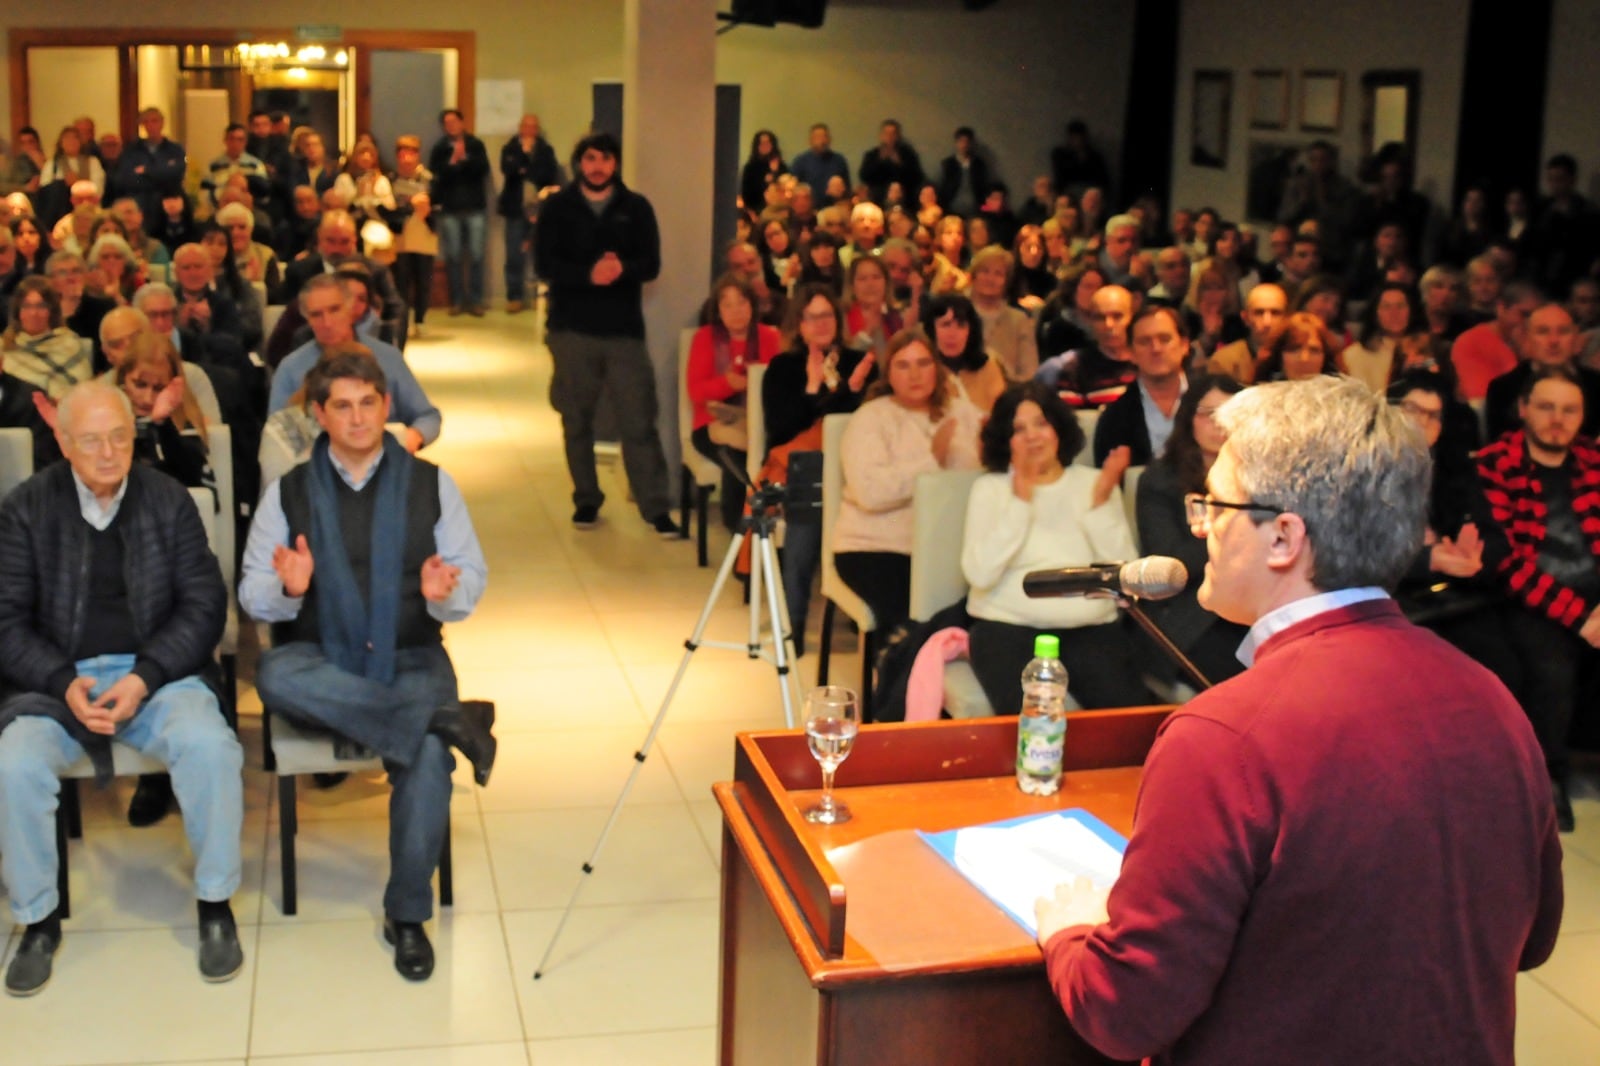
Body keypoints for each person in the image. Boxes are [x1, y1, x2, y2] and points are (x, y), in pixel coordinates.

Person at [1036, 373, 1563, 1064]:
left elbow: (1127, 1012)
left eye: (1215, 505)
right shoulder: (1493, 700)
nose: (1200, 527)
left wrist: (1071, 930)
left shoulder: (1223, 738)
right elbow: (1535, 939)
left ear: (1284, 536)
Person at [241, 352, 491, 980]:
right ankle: (442, 720)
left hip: (410, 653)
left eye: (370, 403)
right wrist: (291, 590)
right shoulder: (287, 492)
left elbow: (471, 584)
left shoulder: (434, 484)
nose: (358, 417)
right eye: (342, 406)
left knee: (427, 762)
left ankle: (407, 916)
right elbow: (252, 596)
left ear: (386, 406)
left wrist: (444, 593)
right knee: (273, 675)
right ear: (319, 415)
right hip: (320, 658)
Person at [0, 380, 242, 995]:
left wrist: (146, 675)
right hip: (58, 681)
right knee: (12, 764)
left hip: (156, 674)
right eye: (91, 440)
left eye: (120, 437)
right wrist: (61, 681)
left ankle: (215, 903)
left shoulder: (167, 498)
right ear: (60, 440)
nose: (109, 453)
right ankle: (37, 919)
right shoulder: (26, 507)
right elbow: (5, 621)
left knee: (211, 748)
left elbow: (203, 604)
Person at [963, 380, 1151, 713]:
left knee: (1126, 722)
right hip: (1007, 629)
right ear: (1005, 440)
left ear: (1058, 429)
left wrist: (1099, 502)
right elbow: (980, 574)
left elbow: (1124, 575)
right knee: (1030, 723)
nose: (1032, 436)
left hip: (1090, 630)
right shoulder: (989, 489)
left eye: (1041, 424)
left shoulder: (1093, 482)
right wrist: (1020, 501)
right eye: (1019, 429)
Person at [535, 131, 677, 534]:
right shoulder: (558, 208)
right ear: (580, 163)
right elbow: (544, 265)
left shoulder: (636, 208)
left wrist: (623, 270)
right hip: (571, 331)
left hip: (624, 332)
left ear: (615, 164)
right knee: (576, 420)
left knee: (639, 421)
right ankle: (586, 499)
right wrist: (587, 275)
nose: (598, 166)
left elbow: (651, 264)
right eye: (591, 158)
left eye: (606, 159)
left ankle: (655, 506)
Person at [832, 328, 982, 633]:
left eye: (923, 363)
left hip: (951, 550)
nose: (915, 374)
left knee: (987, 615)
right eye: (903, 365)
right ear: (889, 374)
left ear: (937, 369)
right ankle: (902, 675)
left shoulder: (964, 414)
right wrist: (931, 461)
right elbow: (869, 493)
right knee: (922, 625)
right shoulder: (871, 418)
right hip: (876, 549)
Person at [761, 286, 876, 649]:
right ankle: (793, 621)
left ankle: (867, 617)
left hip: (855, 466)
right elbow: (781, 429)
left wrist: (852, 386)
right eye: (813, 317)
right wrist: (812, 388)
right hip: (801, 470)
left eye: (828, 315)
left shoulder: (860, 361)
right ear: (800, 323)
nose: (822, 324)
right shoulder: (783, 368)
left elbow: (870, 419)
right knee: (809, 490)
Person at [1134, 374, 1249, 688]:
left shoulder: (1261, 480)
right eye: (1209, 414)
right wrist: (1231, 520)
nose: (1221, 425)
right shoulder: (1159, 481)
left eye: (1231, 415)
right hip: (1191, 612)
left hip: (1252, 604)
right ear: (1189, 419)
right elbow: (1170, 562)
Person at [271, 274, 439, 448]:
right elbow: (277, 433)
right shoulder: (291, 368)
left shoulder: (388, 357)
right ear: (307, 319)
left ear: (351, 310)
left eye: (334, 310)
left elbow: (428, 417)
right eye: (316, 315)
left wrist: (412, 438)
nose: (327, 322)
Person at [686, 273, 780, 531]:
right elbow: (696, 392)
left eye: (741, 302)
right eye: (727, 304)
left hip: (758, 423)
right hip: (711, 425)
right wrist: (728, 384)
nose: (735, 311)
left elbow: (777, 384)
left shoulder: (769, 337)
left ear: (752, 305)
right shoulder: (705, 338)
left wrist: (753, 384)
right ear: (718, 310)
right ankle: (741, 530)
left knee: (758, 450)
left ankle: (760, 528)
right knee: (737, 455)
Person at [1485, 302, 1600, 441]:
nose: (1553, 341)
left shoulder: (1596, 385)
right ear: (1527, 338)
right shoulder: (1502, 388)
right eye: (1543, 331)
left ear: (1576, 336)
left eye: (1563, 331)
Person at [1093, 305, 1190, 467]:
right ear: (1131, 353)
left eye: (1164, 339)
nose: (1156, 349)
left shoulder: (1215, 402)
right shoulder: (1114, 417)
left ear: (1184, 346)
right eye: (1144, 342)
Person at [1034, 283, 1138, 409]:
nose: (1108, 325)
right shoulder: (1074, 370)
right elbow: (1073, 424)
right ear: (1090, 322)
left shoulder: (1149, 362)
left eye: (1117, 316)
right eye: (1100, 317)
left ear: (1133, 317)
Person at [427, 110, 490, 316]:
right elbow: (436, 176)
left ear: (462, 122)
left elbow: (483, 169)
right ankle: (456, 301)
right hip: (449, 210)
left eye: (455, 121)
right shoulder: (439, 148)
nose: (451, 125)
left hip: (475, 208)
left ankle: (476, 301)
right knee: (453, 256)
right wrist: (453, 161)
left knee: (476, 255)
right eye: (447, 122)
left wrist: (465, 160)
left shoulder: (475, 144)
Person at [498, 114, 561, 314]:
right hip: (515, 208)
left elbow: (548, 174)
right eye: (526, 126)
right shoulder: (510, 148)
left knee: (539, 252)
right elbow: (508, 169)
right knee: (514, 254)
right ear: (520, 127)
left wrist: (525, 168)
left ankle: (539, 296)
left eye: (533, 126)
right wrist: (524, 158)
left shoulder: (545, 150)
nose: (529, 129)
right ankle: (514, 297)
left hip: (540, 207)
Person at [3, 276, 90, 399]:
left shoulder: (69, 344)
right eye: (26, 306)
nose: (33, 313)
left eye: (41, 306)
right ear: (18, 312)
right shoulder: (5, 347)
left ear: (52, 311)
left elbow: (82, 393)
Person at [922, 293, 1005, 414]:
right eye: (946, 325)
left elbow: (1002, 416)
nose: (952, 334)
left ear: (970, 331)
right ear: (931, 330)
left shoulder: (988, 368)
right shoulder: (923, 370)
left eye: (960, 326)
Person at [966, 245, 1038, 382]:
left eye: (998, 273)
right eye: (984, 271)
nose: (990, 278)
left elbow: (1029, 373)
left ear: (1007, 281)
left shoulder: (1019, 320)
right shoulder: (956, 313)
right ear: (973, 276)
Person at [1343, 281, 1423, 394]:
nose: (1394, 313)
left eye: (1400, 306)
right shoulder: (1355, 354)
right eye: (1386, 307)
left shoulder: (1428, 349)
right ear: (1375, 314)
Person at [115, 108, 187, 225]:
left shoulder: (175, 149)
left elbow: (177, 173)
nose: (150, 125)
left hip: (168, 206)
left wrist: (147, 171)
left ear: (162, 123)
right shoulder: (132, 150)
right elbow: (126, 179)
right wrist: (161, 175)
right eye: (146, 122)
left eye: (154, 121)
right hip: (141, 205)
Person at [1209, 282, 1287, 385]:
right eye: (1259, 313)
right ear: (1245, 318)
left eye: (1275, 313)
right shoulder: (1225, 361)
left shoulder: (1299, 356)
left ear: (1287, 318)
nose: (1267, 322)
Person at [1256, 310, 1340, 382]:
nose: (1304, 359)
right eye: (1294, 350)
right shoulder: (1255, 398)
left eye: (1314, 351)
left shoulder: (1342, 398)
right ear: (1278, 355)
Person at [859, 120, 925, 207]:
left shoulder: (908, 154)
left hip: (904, 196)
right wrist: (880, 161)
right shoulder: (872, 154)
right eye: (886, 133)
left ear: (898, 136)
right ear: (881, 136)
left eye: (893, 134)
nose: (889, 137)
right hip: (879, 196)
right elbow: (864, 176)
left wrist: (899, 163)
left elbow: (917, 177)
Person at [935, 127, 991, 218]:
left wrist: (984, 209)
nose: (964, 145)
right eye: (961, 141)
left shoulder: (979, 165)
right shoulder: (948, 164)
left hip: (975, 212)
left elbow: (984, 189)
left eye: (967, 141)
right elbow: (942, 189)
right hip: (952, 211)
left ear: (971, 143)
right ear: (956, 143)